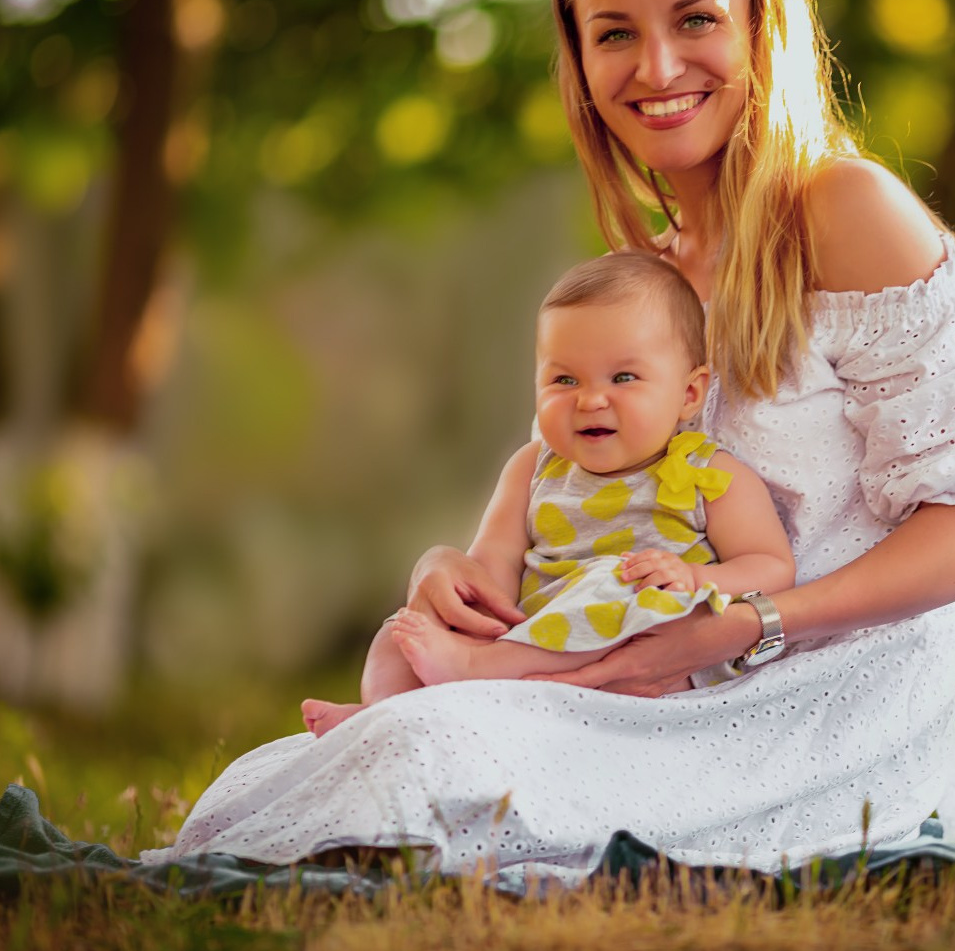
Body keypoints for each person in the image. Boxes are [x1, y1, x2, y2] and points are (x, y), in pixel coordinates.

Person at [142, 0, 955, 878]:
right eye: (616, 33)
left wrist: (747, 623)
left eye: (695, 19)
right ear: (580, 61)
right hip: (652, 683)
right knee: (283, 783)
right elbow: (581, 505)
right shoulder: (643, 286)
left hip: (829, 693)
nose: (657, 68)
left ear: (760, 26)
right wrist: (464, 575)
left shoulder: (842, 210)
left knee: (414, 758)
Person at [299, 251, 795, 735]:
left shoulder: (710, 473)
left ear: (689, 394)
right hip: (530, 634)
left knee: (618, 581)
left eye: (624, 377)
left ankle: (475, 669)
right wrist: (460, 600)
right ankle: (386, 719)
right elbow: (492, 567)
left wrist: (690, 576)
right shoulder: (532, 467)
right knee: (404, 628)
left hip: (632, 659)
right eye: (563, 379)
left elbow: (773, 566)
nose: (591, 399)